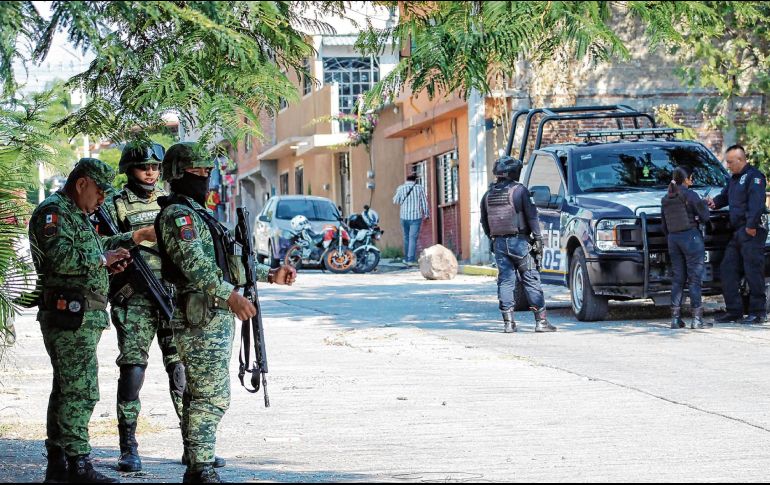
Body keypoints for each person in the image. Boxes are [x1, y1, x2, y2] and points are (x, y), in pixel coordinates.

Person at [154, 142, 297, 483]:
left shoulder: (199, 213)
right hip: (200, 316)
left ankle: (196, 458)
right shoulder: (179, 216)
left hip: (211, 315)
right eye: (196, 172)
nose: (204, 178)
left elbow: (231, 263)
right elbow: (196, 267)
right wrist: (230, 296)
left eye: (207, 172)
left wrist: (269, 275)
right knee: (211, 397)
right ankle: (200, 470)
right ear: (178, 174)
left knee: (198, 394)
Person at [101, 142, 224, 472]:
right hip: (135, 296)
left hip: (171, 294)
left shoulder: (172, 204)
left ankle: (192, 444)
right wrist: (136, 237)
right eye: (144, 167)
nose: (151, 173)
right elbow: (100, 247)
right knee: (133, 368)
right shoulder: (114, 206)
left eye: (156, 167)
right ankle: (128, 446)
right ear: (130, 170)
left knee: (181, 369)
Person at [29, 158, 133, 483]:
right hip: (67, 316)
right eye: (99, 191)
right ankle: (79, 465)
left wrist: (115, 252)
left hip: (80, 315)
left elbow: (90, 249)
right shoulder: (54, 212)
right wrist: (102, 260)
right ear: (82, 183)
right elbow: (60, 257)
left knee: (65, 389)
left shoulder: (76, 214)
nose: (102, 200)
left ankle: (59, 464)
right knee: (80, 391)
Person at [480, 156, 556, 333]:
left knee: (506, 281)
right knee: (530, 279)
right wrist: (538, 239)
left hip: (499, 243)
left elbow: (484, 222)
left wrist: (493, 239)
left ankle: (508, 323)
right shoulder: (520, 191)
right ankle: (541, 322)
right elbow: (531, 217)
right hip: (520, 243)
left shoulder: (487, 195)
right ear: (514, 172)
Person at [706, 144, 768, 324]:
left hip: (751, 231)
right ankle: (734, 311)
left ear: (741, 160)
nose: (728, 166)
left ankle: (758, 312)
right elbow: (725, 197)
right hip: (738, 231)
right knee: (727, 269)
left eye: (731, 162)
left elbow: (757, 204)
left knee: (753, 271)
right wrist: (714, 203)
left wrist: (751, 226)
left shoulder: (754, 177)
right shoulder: (733, 178)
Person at [661, 167, 711, 329]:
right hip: (691, 238)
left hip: (673, 240)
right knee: (695, 279)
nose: (693, 181)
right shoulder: (691, 195)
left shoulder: (666, 198)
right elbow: (705, 217)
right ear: (687, 179)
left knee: (678, 279)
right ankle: (697, 320)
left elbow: (664, 225)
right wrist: (703, 205)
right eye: (692, 178)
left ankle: (675, 319)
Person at [392, 173, 430, 266]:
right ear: (415, 180)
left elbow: (395, 201)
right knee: (413, 238)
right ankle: (411, 260)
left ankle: (406, 258)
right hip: (416, 217)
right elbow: (424, 202)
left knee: (406, 238)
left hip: (404, 217)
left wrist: (403, 201)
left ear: (407, 179)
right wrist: (427, 214)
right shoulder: (419, 188)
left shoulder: (401, 188)